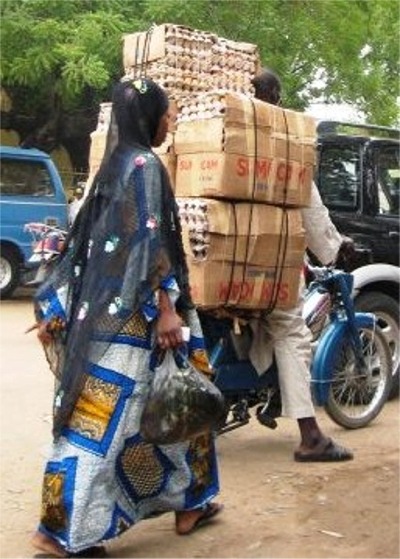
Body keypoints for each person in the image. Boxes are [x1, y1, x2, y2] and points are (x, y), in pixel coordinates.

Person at [31, 78, 223, 558]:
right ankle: (61, 530)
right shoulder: (145, 167)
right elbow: (150, 245)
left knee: (177, 401)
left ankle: (189, 500)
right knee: (106, 425)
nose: (170, 122)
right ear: (147, 116)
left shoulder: (113, 167)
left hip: (107, 316)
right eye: (167, 114)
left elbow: (84, 246)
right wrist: (164, 310)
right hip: (143, 321)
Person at [249, 68, 354, 462]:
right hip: (271, 263)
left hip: (217, 258)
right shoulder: (285, 143)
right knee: (291, 331)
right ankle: (310, 435)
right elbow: (310, 209)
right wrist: (333, 246)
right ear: (274, 96)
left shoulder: (224, 138)